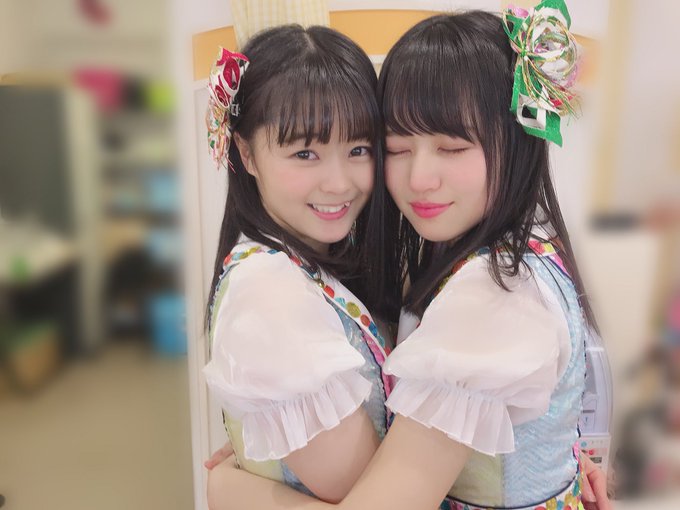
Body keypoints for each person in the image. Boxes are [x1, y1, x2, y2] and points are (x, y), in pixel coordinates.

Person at [206, 3, 612, 509]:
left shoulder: (495, 289)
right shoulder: (509, 257)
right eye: (397, 148)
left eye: (452, 148)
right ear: (245, 153)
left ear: (517, 140)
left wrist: (232, 490)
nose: (419, 179)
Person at [201, 24, 396, 504]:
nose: (339, 183)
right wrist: (228, 489)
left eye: (358, 150)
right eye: (305, 152)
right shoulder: (269, 295)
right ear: (246, 154)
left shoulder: (305, 265)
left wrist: (233, 488)